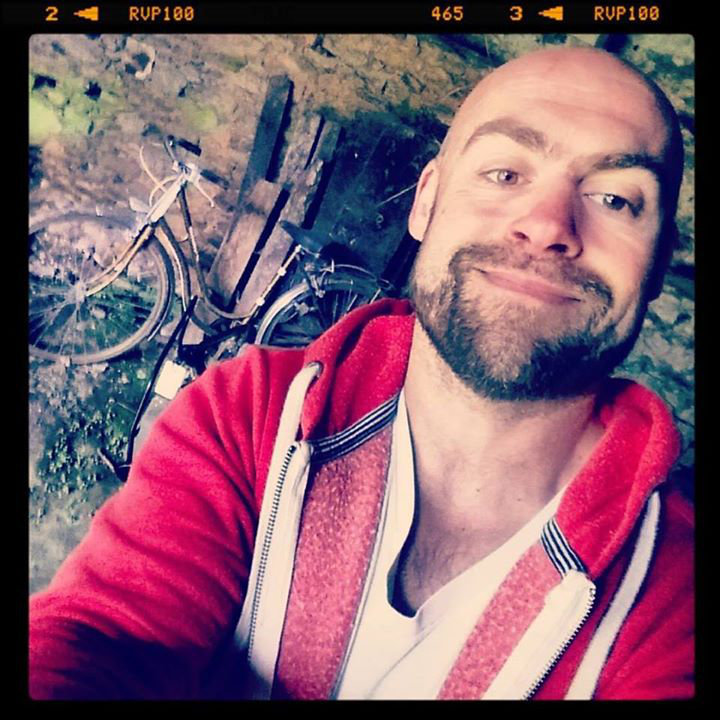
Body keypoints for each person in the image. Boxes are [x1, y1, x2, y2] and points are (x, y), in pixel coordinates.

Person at [29, 46, 693, 700]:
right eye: (504, 173)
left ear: (660, 260)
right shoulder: (249, 414)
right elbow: (106, 637)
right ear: (426, 202)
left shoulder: (673, 594)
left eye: (615, 199)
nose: (547, 226)